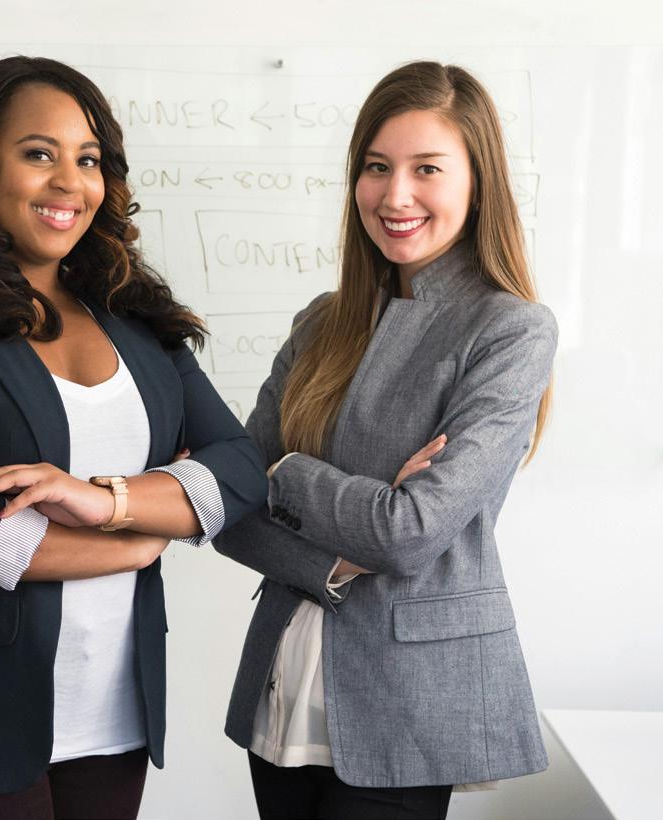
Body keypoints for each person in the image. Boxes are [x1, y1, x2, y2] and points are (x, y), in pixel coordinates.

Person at [0, 56, 266, 820]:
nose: (71, 181)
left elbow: (238, 468)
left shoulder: (139, 323)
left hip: (112, 720)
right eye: (39, 153)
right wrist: (137, 542)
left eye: (89, 159)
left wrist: (106, 503)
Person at [213, 61, 556, 820]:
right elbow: (230, 510)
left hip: (408, 702)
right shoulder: (320, 321)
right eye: (376, 167)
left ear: (478, 182)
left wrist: (283, 470)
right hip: (282, 684)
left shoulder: (510, 330)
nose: (395, 195)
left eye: (426, 168)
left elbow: (408, 533)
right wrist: (333, 559)